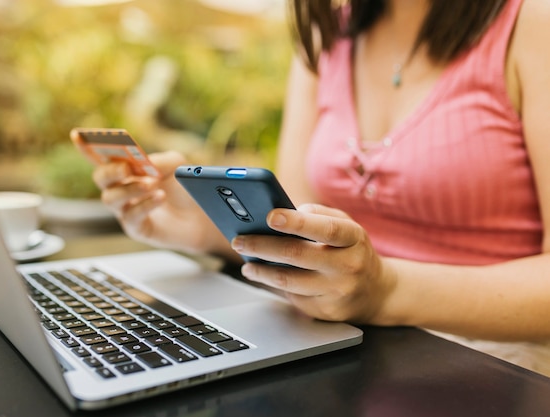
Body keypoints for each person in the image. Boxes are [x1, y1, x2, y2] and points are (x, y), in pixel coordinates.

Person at [92, 0, 550, 376]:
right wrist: (208, 228)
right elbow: (302, 234)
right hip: (345, 348)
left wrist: (385, 289)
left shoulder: (532, 22)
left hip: (497, 364)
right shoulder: (327, 33)